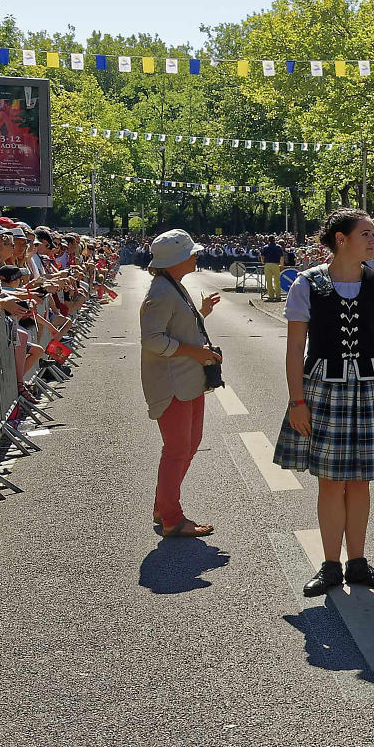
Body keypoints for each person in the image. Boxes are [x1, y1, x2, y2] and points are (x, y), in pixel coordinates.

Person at [274, 209, 374, 597]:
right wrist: (296, 400)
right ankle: (331, 564)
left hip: (370, 389)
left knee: (360, 481)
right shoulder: (307, 284)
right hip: (323, 389)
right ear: (340, 239)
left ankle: (358, 562)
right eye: (365, 234)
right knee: (330, 482)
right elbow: (295, 348)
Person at [140, 229, 222, 538]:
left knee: (186, 446)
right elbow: (152, 340)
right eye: (191, 253)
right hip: (173, 383)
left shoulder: (170, 285)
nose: (196, 256)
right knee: (177, 450)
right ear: (176, 260)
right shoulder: (161, 291)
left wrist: (201, 314)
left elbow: (174, 327)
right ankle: (172, 518)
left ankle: (164, 507)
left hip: (185, 380)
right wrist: (196, 352)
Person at [260, 235, 285, 302]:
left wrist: (263, 262)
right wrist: (281, 265)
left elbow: (262, 256)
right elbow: (282, 257)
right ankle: (278, 296)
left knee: (269, 281)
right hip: (276, 265)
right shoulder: (278, 247)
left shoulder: (265, 247)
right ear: (275, 240)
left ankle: (271, 296)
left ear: (268, 240)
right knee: (277, 281)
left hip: (267, 264)